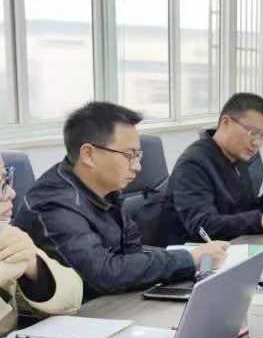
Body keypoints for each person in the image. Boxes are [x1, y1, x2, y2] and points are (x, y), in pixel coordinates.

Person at [14, 102, 228, 300]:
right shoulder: (53, 202)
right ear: (88, 154)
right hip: (71, 317)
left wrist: (189, 260)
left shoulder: (105, 189)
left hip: (111, 303)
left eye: (138, 155)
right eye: (129, 155)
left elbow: (132, 252)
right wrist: (189, 259)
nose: (137, 166)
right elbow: (102, 274)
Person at [161, 93, 263, 246]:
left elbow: (243, 210)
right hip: (195, 254)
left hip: (233, 247)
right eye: (253, 133)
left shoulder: (236, 159)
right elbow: (204, 226)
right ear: (226, 122)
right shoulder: (193, 164)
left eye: (262, 137)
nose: (256, 143)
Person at [0, 156, 82, 336]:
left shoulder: (5, 233)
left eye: (6, 180)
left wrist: (35, 268)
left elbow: (72, 299)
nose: (11, 193)